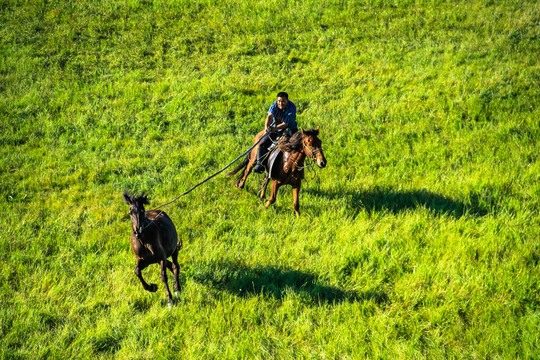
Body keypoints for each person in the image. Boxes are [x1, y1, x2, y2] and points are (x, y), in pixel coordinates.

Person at [252, 92, 298, 173]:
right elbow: (269, 116)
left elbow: (285, 124)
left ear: (287, 100)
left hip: (289, 129)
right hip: (275, 128)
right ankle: (260, 165)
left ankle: (298, 167)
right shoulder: (274, 105)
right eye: (279, 101)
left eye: (283, 101)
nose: (280, 103)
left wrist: (274, 129)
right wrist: (267, 126)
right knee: (262, 144)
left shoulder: (292, 107)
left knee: (296, 146)